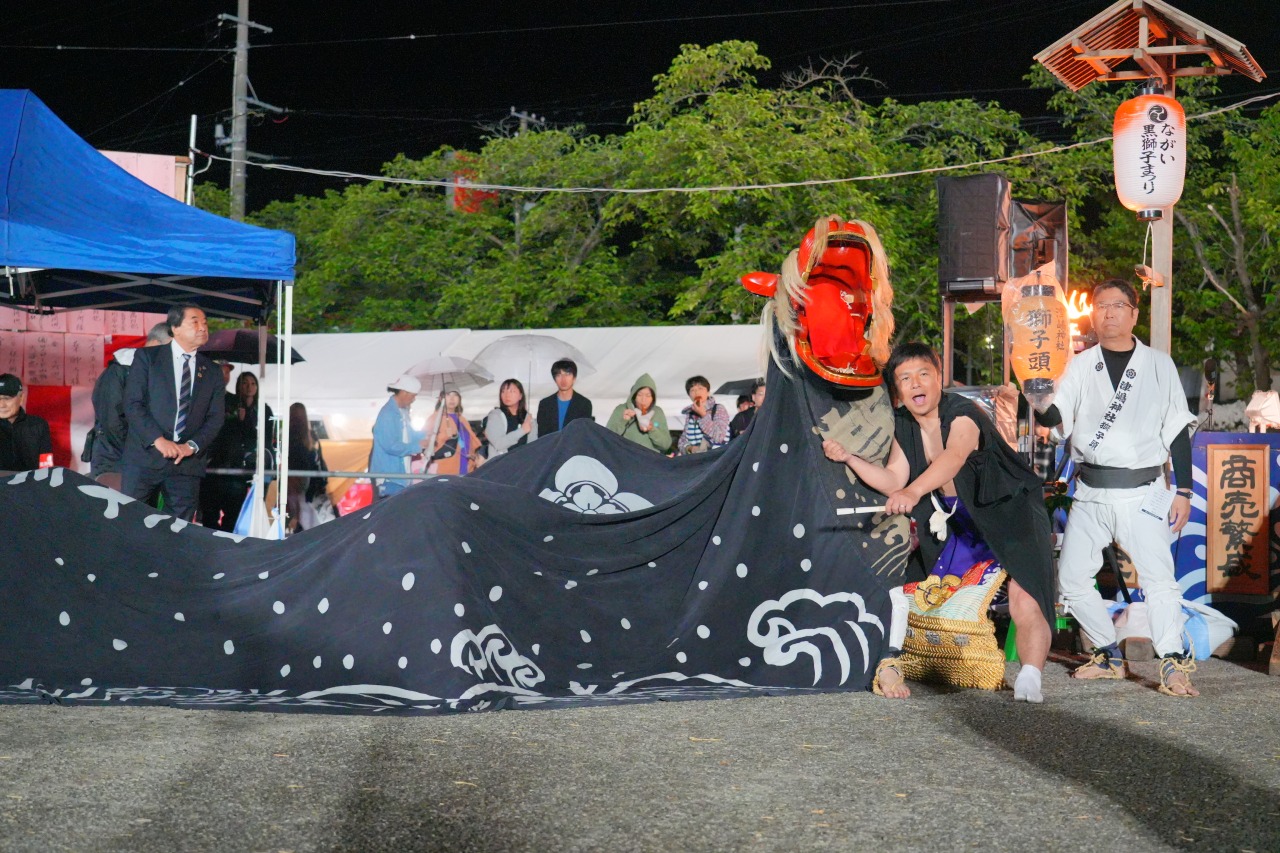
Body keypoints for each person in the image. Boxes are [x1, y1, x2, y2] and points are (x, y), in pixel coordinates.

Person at [823, 343, 1054, 703]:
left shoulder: (962, 413)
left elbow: (954, 457)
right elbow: (893, 479)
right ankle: (892, 660)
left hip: (1010, 513)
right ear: (897, 389)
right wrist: (849, 458)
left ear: (939, 376)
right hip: (955, 519)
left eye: (923, 374)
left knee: (1024, 595)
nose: (915, 383)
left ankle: (1030, 676)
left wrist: (913, 492)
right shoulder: (903, 424)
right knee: (907, 586)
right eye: (905, 378)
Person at [1034, 278, 1199, 697]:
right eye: (1101, 306)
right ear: (1093, 315)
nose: (1108, 313)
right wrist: (1035, 394)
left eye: (1118, 305)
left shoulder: (1159, 364)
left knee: (1159, 579)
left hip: (1143, 490)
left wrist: (1184, 491)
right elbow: (1055, 416)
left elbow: (1177, 430)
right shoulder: (1078, 364)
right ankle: (1107, 654)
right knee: (1072, 579)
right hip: (1091, 491)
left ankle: (1172, 662)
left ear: (1134, 314)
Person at [120, 305, 225, 522]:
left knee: (179, 529)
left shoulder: (212, 371)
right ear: (175, 328)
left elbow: (215, 418)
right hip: (145, 458)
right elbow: (133, 404)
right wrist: (158, 440)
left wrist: (191, 446)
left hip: (187, 464)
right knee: (131, 522)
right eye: (195, 322)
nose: (202, 328)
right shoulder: (148, 358)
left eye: (205, 323)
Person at [89, 322, 171, 489]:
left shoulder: (159, 374)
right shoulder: (120, 370)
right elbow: (112, 421)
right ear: (155, 344)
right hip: (114, 460)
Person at [201, 371, 274, 532]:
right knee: (211, 513)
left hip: (242, 468)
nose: (249, 387)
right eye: (245, 383)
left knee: (233, 515)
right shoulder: (229, 404)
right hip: (220, 464)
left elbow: (263, 437)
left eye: (253, 383)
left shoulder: (264, 410)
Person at [370, 375, 431, 499]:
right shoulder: (387, 414)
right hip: (389, 477)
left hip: (400, 476)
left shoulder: (401, 412)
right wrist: (418, 445)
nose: (413, 400)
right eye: (413, 396)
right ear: (404, 392)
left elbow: (410, 435)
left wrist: (426, 435)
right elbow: (390, 446)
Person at [286, 401, 330, 533]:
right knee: (311, 523)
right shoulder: (312, 438)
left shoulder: (291, 439)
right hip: (312, 485)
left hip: (298, 484)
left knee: (302, 521)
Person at [0, 373, 53, 472]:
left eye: (7, 398)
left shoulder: (38, 425)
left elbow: (46, 466)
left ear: (21, 398)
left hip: (30, 481)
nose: (2, 405)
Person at [606, 374, 672, 453]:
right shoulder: (622, 409)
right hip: (625, 455)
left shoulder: (657, 412)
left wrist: (652, 429)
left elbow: (665, 445)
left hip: (650, 458)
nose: (643, 400)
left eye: (648, 396)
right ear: (634, 395)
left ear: (653, 397)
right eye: (640, 395)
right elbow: (606, 437)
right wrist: (623, 421)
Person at [426, 388, 483, 475]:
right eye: (448, 395)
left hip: (465, 465)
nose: (452, 399)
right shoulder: (435, 418)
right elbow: (425, 443)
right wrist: (444, 436)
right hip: (444, 467)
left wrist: (473, 454)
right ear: (441, 398)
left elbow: (471, 441)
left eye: (455, 395)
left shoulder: (462, 419)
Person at [535, 359, 593, 436]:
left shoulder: (584, 404)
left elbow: (584, 434)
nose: (563, 379)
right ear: (554, 379)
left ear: (574, 378)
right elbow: (542, 435)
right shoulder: (545, 404)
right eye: (559, 375)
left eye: (567, 374)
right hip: (551, 443)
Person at [677, 375, 730, 454]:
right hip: (697, 459)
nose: (697, 392)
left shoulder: (718, 409)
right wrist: (690, 448)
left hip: (717, 457)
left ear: (708, 392)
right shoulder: (690, 414)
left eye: (700, 388)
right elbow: (682, 441)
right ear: (689, 395)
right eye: (692, 390)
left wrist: (703, 415)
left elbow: (719, 436)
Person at [484, 379, 537, 457]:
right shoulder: (495, 415)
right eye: (503, 391)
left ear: (520, 396)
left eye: (512, 391)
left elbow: (533, 447)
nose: (507, 395)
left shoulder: (528, 419)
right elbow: (499, 444)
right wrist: (522, 430)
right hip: (501, 463)